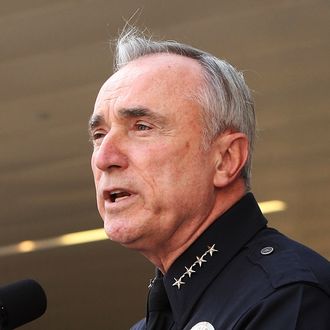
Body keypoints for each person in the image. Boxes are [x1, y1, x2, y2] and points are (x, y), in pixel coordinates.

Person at [89, 28, 330, 330]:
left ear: (226, 159)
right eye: (99, 135)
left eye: (142, 127)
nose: (104, 157)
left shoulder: (288, 298)